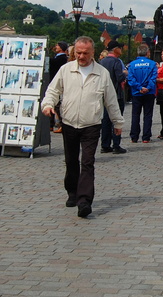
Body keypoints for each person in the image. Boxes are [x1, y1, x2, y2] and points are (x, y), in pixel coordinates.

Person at [41, 36, 124, 218]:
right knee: (71, 161)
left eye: (85, 53)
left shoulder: (102, 73)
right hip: (69, 123)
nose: (81, 56)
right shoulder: (65, 70)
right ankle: (72, 191)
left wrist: (117, 123)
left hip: (92, 124)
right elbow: (53, 91)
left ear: (92, 53)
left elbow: (111, 101)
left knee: (87, 162)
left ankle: (84, 201)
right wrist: (48, 105)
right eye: (78, 52)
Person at [99, 40, 127, 154]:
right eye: (120, 48)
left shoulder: (102, 62)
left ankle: (105, 145)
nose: (121, 50)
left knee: (105, 120)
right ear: (115, 49)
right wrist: (125, 73)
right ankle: (116, 145)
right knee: (116, 119)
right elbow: (119, 77)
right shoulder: (116, 62)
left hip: (104, 94)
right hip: (116, 94)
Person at [127, 43, 157, 144]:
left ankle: (134, 137)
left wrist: (139, 87)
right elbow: (153, 78)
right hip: (149, 93)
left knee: (135, 115)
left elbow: (130, 79)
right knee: (148, 115)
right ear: (147, 53)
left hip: (136, 92)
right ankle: (146, 137)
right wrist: (147, 88)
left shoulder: (132, 64)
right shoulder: (152, 64)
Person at [49, 41, 69, 133]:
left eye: (57, 45)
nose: (55, 47)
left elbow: (53, 64)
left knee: (57, 105)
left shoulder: (62, 58)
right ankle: (51, 124)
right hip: (54, 82)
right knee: (54, 104)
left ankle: (61, 124)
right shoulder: (59, 58)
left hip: (58, 83)